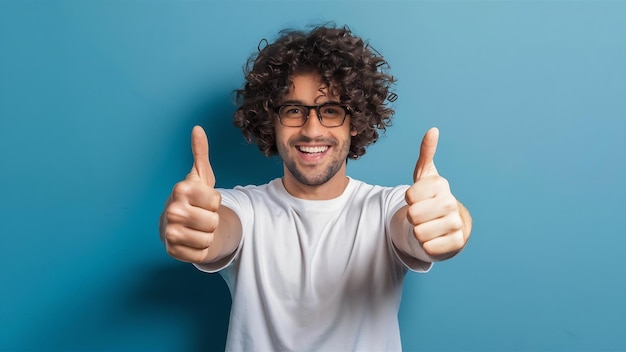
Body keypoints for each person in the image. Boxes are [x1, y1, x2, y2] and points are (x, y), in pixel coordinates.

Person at [160, 25, 472, 351]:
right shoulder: (242, 208)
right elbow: (214, 228)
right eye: (294, 110)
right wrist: (187, 223)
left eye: (331, 111)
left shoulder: (387, 206)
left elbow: (415, 227)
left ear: (356, 122)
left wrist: (452, 223)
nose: (312, 130)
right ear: (272, 119)